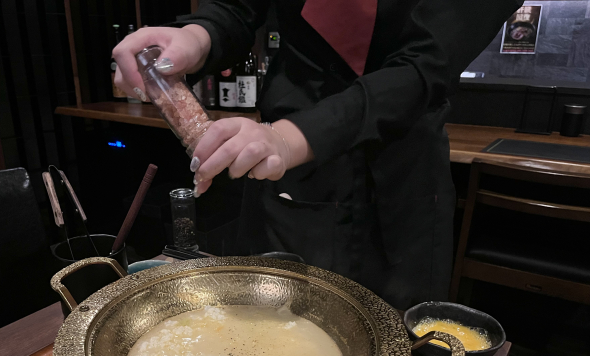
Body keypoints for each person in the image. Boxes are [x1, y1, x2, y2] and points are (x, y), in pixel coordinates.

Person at [113, 0, 523, 309]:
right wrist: (195, 36)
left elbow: (428, 64)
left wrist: (289, 139)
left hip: (400, 174)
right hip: (286, 176)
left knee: (395, 349)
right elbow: (238, 7)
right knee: (264, 324)